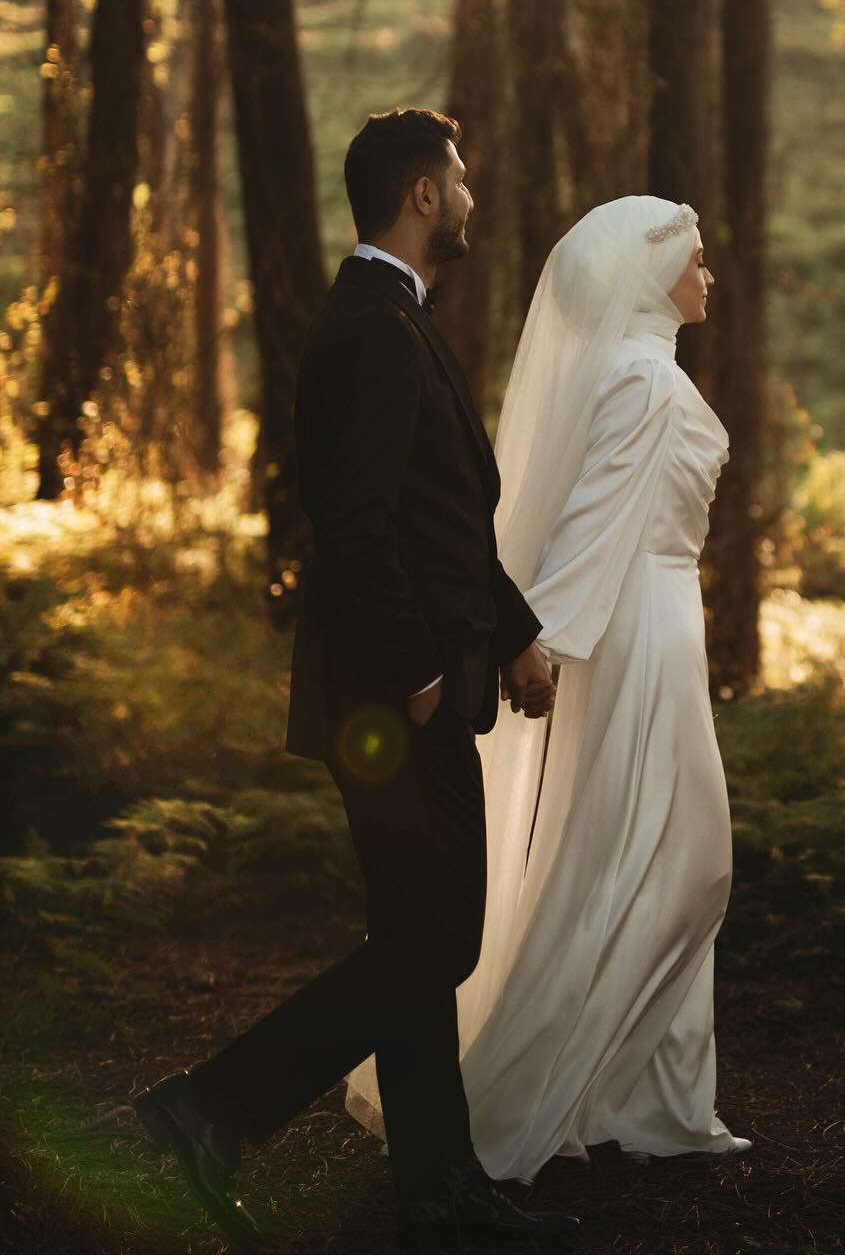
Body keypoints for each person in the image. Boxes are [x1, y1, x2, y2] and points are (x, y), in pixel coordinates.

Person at [132, 110, 579, 1252]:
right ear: (422, 196)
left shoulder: (396, 320)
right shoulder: (375, 330)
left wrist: (515, 633)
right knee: (436, 942)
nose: (473, 198)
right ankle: (208, 1108)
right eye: (463, 179)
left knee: (420, 938)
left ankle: (438, 1189)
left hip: (421, 684)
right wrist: (425, 672)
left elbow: (440, 524)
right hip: (394, 699)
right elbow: (359, 526)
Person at [347, 194, 752, 1181]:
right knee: (668, 862)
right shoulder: (641, 382)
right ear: (645, 277)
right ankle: (528, 1091)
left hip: (657, 617)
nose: (707, 276)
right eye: (694, 260)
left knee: (642, 861)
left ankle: (640, 1097)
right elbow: (588, 527)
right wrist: (542, 645)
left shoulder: (639, 369)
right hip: (633, 633)